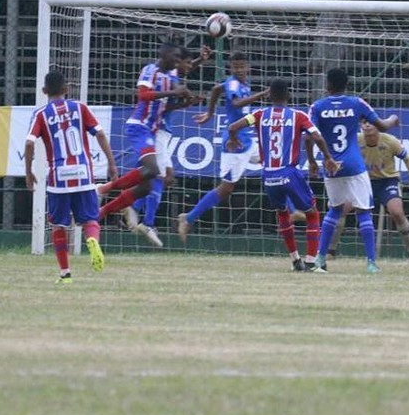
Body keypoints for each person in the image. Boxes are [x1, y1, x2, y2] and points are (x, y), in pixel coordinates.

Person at [227, 79, 339, 272]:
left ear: (269, 96)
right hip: (289, 172)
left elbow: (233, 127)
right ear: (289, 96)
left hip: (268, 175)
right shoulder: (298, 116)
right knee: (312, 214)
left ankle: (295, 260)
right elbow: (317, 137)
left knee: (282, 212)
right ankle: (312, 263)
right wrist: (327, 157)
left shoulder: (259, 114)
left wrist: (234, 140)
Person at [24, 71, 119, 283]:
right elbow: (101, 134)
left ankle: (65, 274)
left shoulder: (41, 114)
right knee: (90, 218)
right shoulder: (80, 108)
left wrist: (28, 171)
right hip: (83, 172)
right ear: (67, 90)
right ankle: (92, 241)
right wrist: (112, 164)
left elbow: (29, 143)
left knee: (59, 225)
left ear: (44, 91)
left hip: (59, 178)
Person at [307, 68, 399, 274]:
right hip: (354, 164)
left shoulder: (317, 107)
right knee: (363, 211)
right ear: (346, 85)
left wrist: (312, 161)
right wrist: (393, 118)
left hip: (331, 164)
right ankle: (371, 263)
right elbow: (382, 126)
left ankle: (320, 259)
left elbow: (308, 136)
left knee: (334, 209)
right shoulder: (357, 103)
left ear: (327, 85)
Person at [177, 51, 269, 242]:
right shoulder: (234, 83)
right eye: (236, 67)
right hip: (235, 142)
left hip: (246, 139)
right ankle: (189, 217)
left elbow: (217, 89)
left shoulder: (239, 83)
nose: (240, 70)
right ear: (230, 68)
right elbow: (236, 103)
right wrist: (263, 94)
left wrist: (210, 113)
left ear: (248, 67)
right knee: (225, 189)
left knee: (273, 162)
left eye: (243, 66)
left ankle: (293, 209)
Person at [97, 43, 194, 222]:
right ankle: (103, 189)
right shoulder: (151, 71)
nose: (178, 62)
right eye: (176, 58)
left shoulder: (167, 76)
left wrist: (184, 104)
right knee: (152, 169)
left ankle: (100, 213)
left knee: (145, 188)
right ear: (164, 57)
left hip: (151, 130)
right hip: (139, 127)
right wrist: (174, 91)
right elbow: (143, 95)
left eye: (180, 59)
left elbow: (163, 106)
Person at [128, 44, 212, 246]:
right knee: (163, 175)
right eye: (184, 60)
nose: (186, 65)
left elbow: (183, 70)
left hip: (159, 128)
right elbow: (149, 96)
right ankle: (139, 214)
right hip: (154, 129)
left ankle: (135, 209)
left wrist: (187, 102)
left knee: (160, 176)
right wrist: (178, 93)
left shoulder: (170, 76)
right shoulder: (159, 73)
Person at [326, 121, 409, 262]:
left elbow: (408, 158)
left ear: (378, 126)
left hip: (387, 181)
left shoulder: (390, 141)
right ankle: (331, 251)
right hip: (362, 180)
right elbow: (342, 155)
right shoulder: (355, 139)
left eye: (370, 123)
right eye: (364, 123)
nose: (367, 125)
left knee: (396, 212)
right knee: (341, 208)